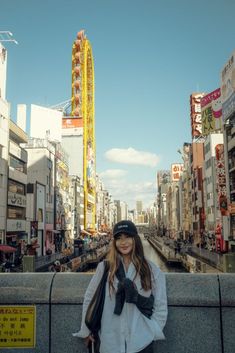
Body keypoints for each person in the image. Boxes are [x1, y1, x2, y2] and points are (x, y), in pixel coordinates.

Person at [73, 220, 168, 353]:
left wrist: (153, 330)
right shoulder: (105, 268)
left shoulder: (151, 270)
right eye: (119, 238)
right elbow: (90, 298)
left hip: (141, 342)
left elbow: (160, 304)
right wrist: (86, 329)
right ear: (114, 242)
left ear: (135, 239)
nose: (123, 242)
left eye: (127, 237)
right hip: (110, 341)